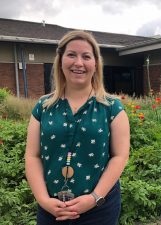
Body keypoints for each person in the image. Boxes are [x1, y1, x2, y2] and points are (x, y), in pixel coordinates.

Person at [25, 30, 130, 225]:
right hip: (51, 208)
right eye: (71, 55)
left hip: (99, 208)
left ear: (96, 63)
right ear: (61, 60)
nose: (78, 63)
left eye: (86, 56)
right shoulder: (43, 106)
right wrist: (43, 200)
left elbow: (120, 156)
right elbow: (32, 155)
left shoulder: (112, 107)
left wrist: (94, 198)